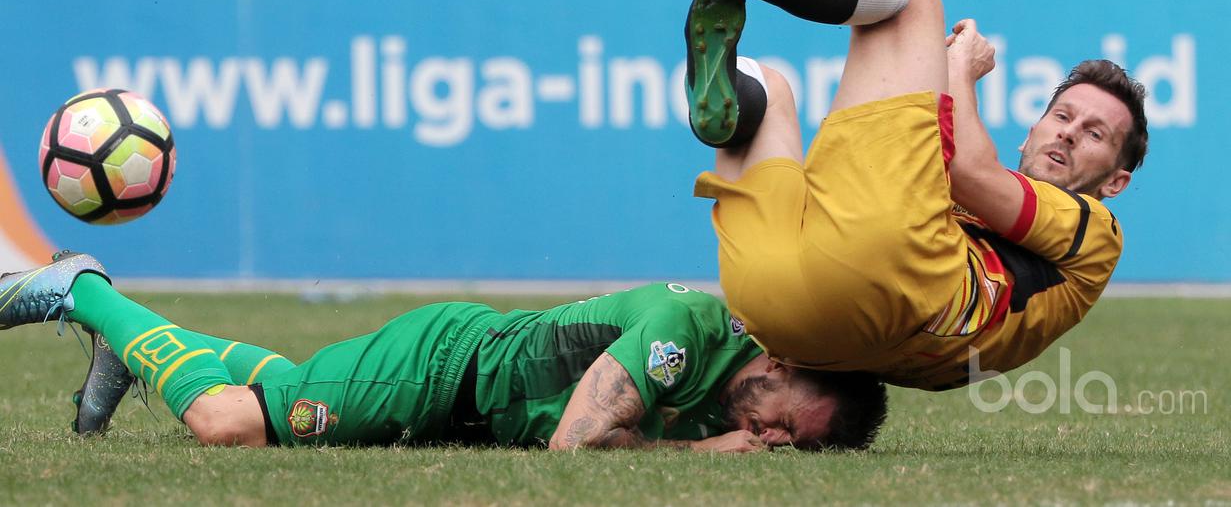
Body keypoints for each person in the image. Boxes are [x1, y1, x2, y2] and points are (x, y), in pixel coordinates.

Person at [639, 0, 1148, 390]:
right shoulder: (999, 225)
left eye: (1094, 134)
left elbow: (965, 168)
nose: (1068, 132)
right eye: (1062, 116)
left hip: (882, 278)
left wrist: (959, 68)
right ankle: (731, 110)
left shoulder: (1095, 233)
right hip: (783, 319)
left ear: (1116, 182)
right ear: (1030, 130)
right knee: (766, 86)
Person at [0, 252, 887, 451]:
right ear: (775, 365)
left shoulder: (728, 386)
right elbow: (575, 444)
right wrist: (701, 455)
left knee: (289, 389)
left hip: (455, 396)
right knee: (228, 425)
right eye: (777, 425)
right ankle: (86, 291)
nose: (767, 441)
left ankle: (135, 349)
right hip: (439, 369)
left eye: (786, 448)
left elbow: (618, 439)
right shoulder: (688, 328)